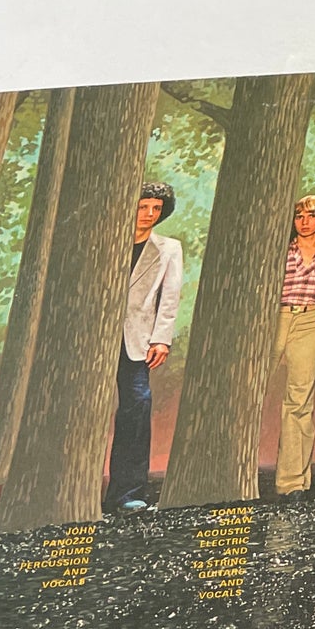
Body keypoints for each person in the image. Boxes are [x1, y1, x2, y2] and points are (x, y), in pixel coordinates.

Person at [106, 181, 183, 511]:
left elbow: (170, 297)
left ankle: (127, 493)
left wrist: (161, 338)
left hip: (137, 341)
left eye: (156, 208)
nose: (150, 213)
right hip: (98, 341)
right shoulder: (108, 241)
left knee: (137, 408)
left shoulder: (168, 248)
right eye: (143, 207)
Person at [274, 194, 315, 496]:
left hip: (309, 321)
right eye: (299, 216)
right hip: (275, 318)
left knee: (299, 401)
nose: (304, 222)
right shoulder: (282, 248)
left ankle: (293, 482)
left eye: (311, 215)